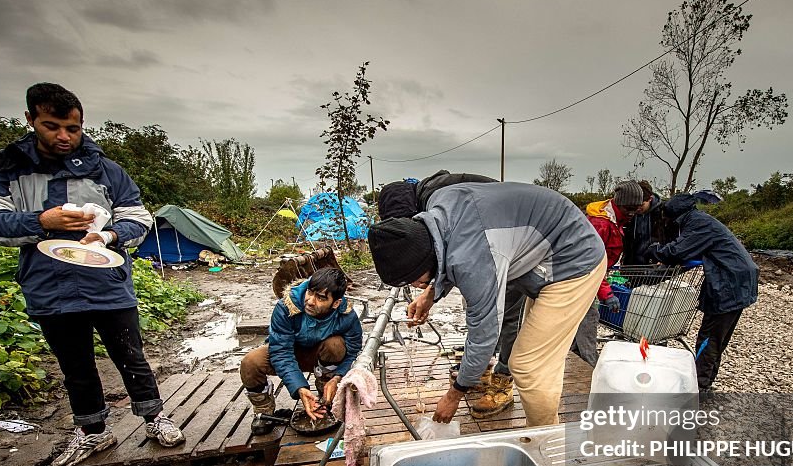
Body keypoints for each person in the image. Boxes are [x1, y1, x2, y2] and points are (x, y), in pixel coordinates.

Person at [0, 83, 182, 466]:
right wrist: (40, 221)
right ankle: (94, 431)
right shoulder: (7, 168)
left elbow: (137, 216)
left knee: (131, 356)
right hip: (48, 283)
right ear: (30, 119)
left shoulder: (105, 169)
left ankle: (154, 418)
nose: (64, 137)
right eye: (52, 126)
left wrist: (110, 235)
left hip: (107, 281)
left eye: (73, 128)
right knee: (75, 366)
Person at [367, 182, 607, 427]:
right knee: (543, 361)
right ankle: (544, 427)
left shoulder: (476, 260)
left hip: (574, 260)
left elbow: (484, 335)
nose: (416, 286)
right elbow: (448, 246)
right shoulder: (440, 204)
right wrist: (432, 291)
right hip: (545, 253)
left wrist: (455, 393)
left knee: (528, 367)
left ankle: (543, 443)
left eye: (415, 280)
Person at [377, 171, 521, 418]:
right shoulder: (431, 201)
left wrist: (455, 394)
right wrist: (431, 293)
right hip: (486, 250)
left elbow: (463, 255)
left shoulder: (439, 201)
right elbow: (453, 260)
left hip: (514, 250)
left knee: (505, 316)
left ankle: (503, 379)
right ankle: (480, 366)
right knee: (477, 309)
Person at [649, 190, 758, 392]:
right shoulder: (701, 220)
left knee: (709, 338)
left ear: (677, 216)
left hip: (729, 282)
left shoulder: (698, 224)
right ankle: (705, 381)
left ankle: (698, 387)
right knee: (718, 338)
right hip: (739, 279)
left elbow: (678, 251)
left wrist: (654, 249)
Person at [240, 268, 363, 425]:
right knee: (250, 362)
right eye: (310, 292)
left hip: (321, 356)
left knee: (336, 345)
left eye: (320, 298)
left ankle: (325, 391)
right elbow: (281, 352)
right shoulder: (286, 307)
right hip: (289, 353)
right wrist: (300, 388)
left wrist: (338, 377)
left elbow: (353, 352)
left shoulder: (346, 314)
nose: (311, 301)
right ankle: (264, 412)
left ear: (336, 303)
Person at [570, 181, 644, 366]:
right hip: (581, 277)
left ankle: (573, 357)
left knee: (578, 319)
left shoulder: (614, 219)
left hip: (588, 276)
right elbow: (590, 262)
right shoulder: (600, 224)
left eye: (636, 208)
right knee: (589, 317)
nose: (633, 213)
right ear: (619, 203)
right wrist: (607, 293)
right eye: (629, 208)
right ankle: (590, 364)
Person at [623, 180, 673, 265]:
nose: (637, 208)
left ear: (650, 199)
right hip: (631, 265)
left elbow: (670, 237)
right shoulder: (629, 213)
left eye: (641, 205)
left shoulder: (663, 212)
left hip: (654, 263)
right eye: (635, 205)